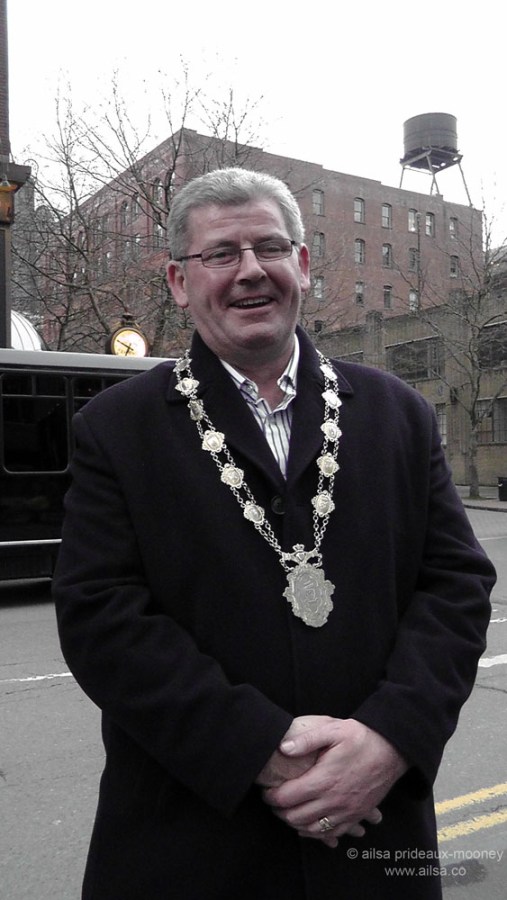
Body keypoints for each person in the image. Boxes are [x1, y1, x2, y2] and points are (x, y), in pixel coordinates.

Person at [53, 167, 495, 900]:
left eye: (270, 247)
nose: (250, 270)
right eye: (221, 254)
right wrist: (264, 751)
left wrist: (387, 740)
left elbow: (454, 587)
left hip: (374, 838)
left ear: (303, 265)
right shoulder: (115, 429)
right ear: (177, 280)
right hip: (191, 844)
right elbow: (102, 617)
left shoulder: (397, 414)